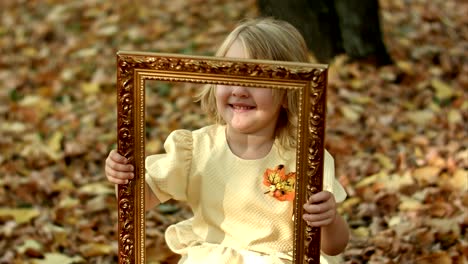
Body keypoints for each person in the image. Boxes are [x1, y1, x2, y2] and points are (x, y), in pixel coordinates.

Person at [106, 18, 349, 264]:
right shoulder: (196, 149)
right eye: (229, 75)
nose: (239, 89)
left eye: (258, 79)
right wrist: (123, 177)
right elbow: (138, 202)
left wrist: (328, 220)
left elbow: (334, 246)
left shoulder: (304, 159)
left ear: (289, 92)